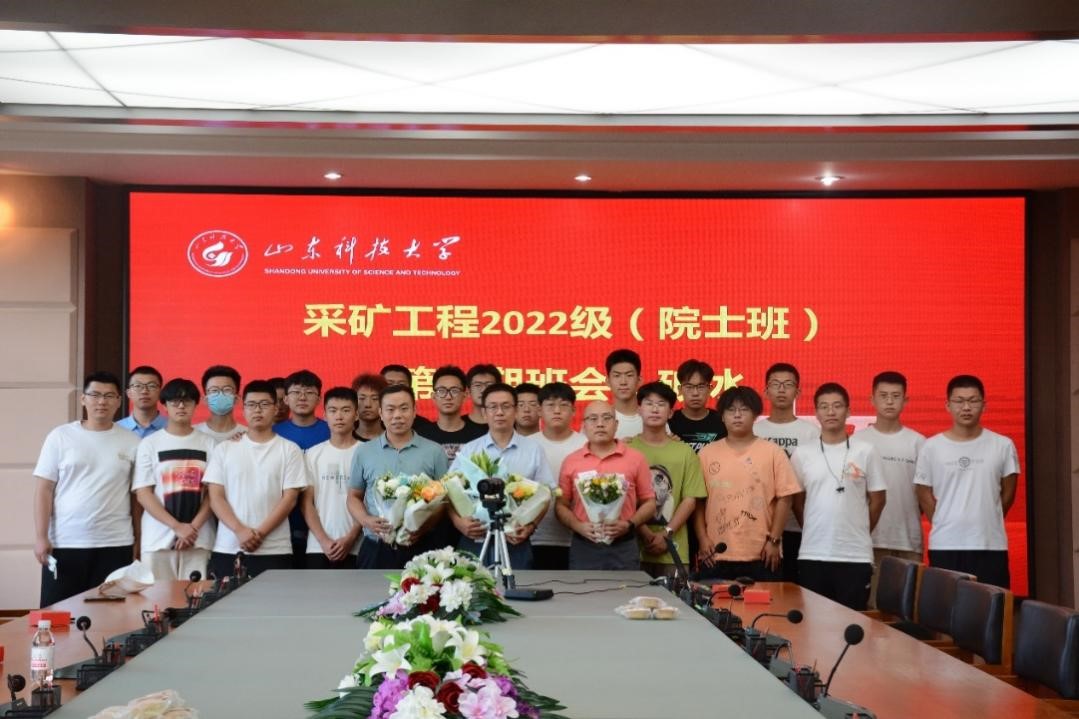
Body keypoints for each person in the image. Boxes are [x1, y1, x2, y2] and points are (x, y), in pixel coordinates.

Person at [33, 371, 140, 606]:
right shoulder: (60, 436)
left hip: (115, 543)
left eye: (109, 396)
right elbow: (44, 489)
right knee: (58, 614)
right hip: (66, 542)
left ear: (119, 401)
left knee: (112, 616)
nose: (102, 401)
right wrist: (41, 536)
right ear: (83, 399)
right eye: (95, 395)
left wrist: (137, 541)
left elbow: (136, 498)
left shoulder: (132, 441)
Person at [915, 375, 1019, 589]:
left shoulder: (1003, 445)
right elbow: (923, 491)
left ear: (984, 405)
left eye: (973, 401)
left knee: (992, 604)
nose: (966, 407)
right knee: (945, 606)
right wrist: (943, 519)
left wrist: (989, 516)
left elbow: (1009, 491)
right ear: (948, 405)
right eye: (959, 401)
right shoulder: (931, 447)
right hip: (945, 544)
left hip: (990, 544)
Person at [791, 383, 886, 610]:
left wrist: (860, 529)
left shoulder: (866, 451)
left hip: (855, 556)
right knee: (813, 622)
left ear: (848, 411)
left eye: (837, 406)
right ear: (816, 413)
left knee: (853, 622)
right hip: (813, 553)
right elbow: (796, 502)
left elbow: (878, 500)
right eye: (824, 407)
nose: (830, 412)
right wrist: (812, 527)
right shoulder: (803, 453)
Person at [694, 386, 800, 582]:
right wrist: (702, 539)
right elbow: (698, 502)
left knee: (768, 602)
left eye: (744, 409)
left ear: (755, 415)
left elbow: (785, 499)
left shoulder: (773, 452)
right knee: (714, 602)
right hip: (716, 553)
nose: (737, 415)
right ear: (722, 416)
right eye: (731, 410)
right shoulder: (706, 454)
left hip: (763, 554)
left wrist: (774, 540)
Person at [204, 380, 307, 578]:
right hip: (228, 547)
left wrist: (259, 534)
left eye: (264, 404)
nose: (257, 410)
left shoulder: (289, 449)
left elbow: (290, 499)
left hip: (275, 549)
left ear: (276, 408)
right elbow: (215, 497)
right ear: (243, 409)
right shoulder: (224, 449)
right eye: (251, 404)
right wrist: (240, 530)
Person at [448, 383, 553, 568]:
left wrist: (530, 526)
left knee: (517, 585)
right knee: (473, 585)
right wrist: (459, 523)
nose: (499, 412)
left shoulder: (534, 450)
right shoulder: (470, 450)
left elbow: (546, 494)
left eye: (506, 406)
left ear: (515, 410)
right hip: (476, 536)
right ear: (484, 413)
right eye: (493, 407)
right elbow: (448, 492)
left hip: (515, 539)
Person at [347, 384, 449, 569]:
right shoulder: (364, 451)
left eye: (404, 408)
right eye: (390, 409)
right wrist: (366, 521)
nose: (397, 415)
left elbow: (443, 500)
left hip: (421, 544)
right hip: (376, 546)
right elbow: (354, 496)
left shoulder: (434, 451)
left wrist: (423, 526)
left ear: (414, 411)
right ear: (381, 413)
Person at [852, 371, 926, 607]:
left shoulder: (919, 443)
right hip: (869, 541)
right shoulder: (857, 442)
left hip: (908, 540)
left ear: (906, 400)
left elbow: (924, 495)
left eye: (896, 396)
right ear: (872, 400)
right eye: (883, 396)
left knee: (908, 613)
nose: (890, 401)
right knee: (872, 611)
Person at [132, 378, 216, 581]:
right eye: (174, 401)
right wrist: (177, 527)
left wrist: (192, 528)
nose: (181, 406)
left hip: (199, 539)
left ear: (196, 405)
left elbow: (214, 494)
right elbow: (143, 493)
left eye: (187, 401)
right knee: (156, 598)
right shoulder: (149, 444)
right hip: (158, 539)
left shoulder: (209, 444)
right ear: (164, 406)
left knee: (197, 597)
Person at [556, 400, 656, 570]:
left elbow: (649, 502)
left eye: (606, 418)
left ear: (616, 424)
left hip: (624, 545)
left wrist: (629, 524)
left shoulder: (636, 458)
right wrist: (578, 526)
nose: (600, 424)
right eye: (593, 419)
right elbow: (560, 505)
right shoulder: (571, 461)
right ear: (584, 425)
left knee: (626, 588)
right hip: (584, 544)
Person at [627, 382, 706, 578]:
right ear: (639, 409)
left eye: (661, 404)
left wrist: (666, 534)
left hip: (675, 552)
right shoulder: (627, 450)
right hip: (633, 550)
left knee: (677, 598)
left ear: (670, 413)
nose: (655, 409)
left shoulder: (685, 452)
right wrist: (645, 532)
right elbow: (625, 500)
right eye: (649, 403)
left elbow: (690, 500)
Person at [754, 362, 820, 583]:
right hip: (762, 525)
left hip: (801, 525)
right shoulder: (754, 430)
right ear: (766, 391)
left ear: (798, 392)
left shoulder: (812, 432)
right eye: (775, 384)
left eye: (788, 384)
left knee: (799, 589)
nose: (781, 390)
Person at [274, 369, 331, 567]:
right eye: (296, 392)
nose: (302, 397)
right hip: (282, 524)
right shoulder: (273, 433)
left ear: (319, 399)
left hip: (324, 523)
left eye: (309, 392)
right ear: (286, 399)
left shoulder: (332, 431)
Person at [301, 387, 362, 569]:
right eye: (333, 410)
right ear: (325, 415)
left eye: (346, 410)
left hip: (357, 546)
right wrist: (324, 540)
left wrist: (351, 537)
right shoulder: (312, 454)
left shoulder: (367, 452)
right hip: (318, 546)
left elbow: (370, 503)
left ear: (356, 415)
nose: (339, 416)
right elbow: (306, 503)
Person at [531, 382, 586, 570]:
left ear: (574, 411)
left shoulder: (586, 445)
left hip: (578, 536)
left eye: (563, 405)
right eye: (550, 405)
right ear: (539, 410)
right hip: (533, 536)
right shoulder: (527, 446)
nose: (557, 411)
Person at [414, 365, 487, 461]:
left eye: (454, 391)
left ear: (465, 396)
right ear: (433, 396)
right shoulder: (420, 436)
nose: (448, 397)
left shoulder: (480, 436)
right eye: (441, 391)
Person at [668, 359, 727, 452]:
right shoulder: (669, 422)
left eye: (701, 387)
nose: (695, 393)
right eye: (689, 387)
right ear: (680, 389)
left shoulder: (723, 421)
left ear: (710, 389)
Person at [194, 365, 247, 443]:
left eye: (227, 389)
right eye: (214, 390)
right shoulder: (193, 434)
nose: (220, 394)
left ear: (236, 398)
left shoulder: (247, 436)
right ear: (205, 399)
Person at [117, 365, 166, 438]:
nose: (144, 391)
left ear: (160, 392)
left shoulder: (173, 429)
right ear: (128, 393)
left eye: (151, 386)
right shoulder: (117, 429)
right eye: (138, 386)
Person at [605, 349, 644, 439]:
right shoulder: (598, 421)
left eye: (629, 375)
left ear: (639, 380)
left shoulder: (653, 418)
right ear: (608, 381)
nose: (623, 382)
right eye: (617, 376)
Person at [351, 373, 387, 441]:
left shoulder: (393, 438)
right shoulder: (346, 439)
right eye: (362, 398)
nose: (368, 404)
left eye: (375, 398)